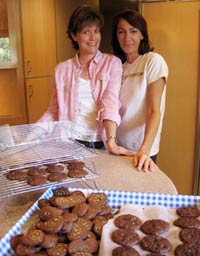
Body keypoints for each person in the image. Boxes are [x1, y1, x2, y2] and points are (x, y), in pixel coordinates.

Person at [38, 5, 131, 154]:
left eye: (96, 31)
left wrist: (111, 142)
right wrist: (30, 136)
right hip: (70, 142)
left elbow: (110, 102)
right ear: (74, 35)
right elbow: (54, 111)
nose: (93, 38)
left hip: (101, 142)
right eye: (86, 32)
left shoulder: (112, 63)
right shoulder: (61, 70)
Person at [109, 9, 168, 171]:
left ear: (142, 35)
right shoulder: (118, 67)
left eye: (133, 31)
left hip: (142, 148)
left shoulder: (153, 61)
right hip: (118, 147)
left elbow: (154, 110)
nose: (127, 38)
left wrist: (145, 150)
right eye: (121, 32)